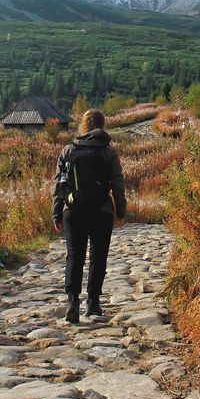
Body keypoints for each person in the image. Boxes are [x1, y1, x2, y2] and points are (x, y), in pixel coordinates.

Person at [52, 109, 127, 323]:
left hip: (73, 211)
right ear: (102, 126)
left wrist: (57, 213)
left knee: (74, 255)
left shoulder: (68, 151)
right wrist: (120, 211)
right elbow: (118, 185)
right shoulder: (108, 152)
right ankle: (93, 303)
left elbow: (59, 186)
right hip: (101, 211)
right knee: (98, 256)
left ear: (82, 126)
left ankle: (72, 301)